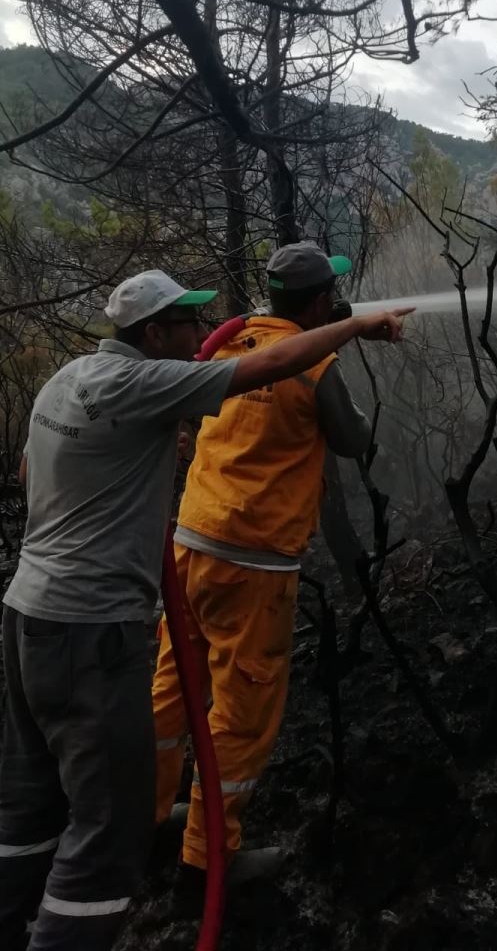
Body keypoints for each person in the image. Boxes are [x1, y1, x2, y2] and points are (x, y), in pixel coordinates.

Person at [0, 267, 410, 951]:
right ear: (153, 332)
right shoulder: (147, 381)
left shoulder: (67, 379)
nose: (202, 333)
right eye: (188, 323)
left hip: (27, 616)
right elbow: (275, 363)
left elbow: (27, 472)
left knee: (30, 804)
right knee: (108, 835)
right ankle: (191, 861)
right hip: (95, 630)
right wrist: (359, 323)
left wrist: (139, 456)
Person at [151, 243, 371, 890]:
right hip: (254, 562)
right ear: (321, 302)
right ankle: (206, 862)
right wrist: (333, 353)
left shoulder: (229, 341)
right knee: (241, 712)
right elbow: (355, 441)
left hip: (193, 543)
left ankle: (146, 816)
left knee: (170, 689)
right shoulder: (316, 365)